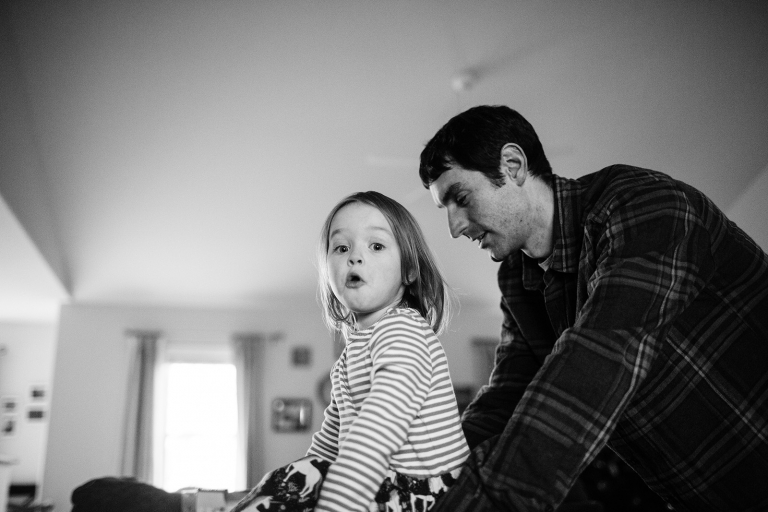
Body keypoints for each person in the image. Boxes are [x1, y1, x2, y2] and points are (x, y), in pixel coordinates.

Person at [417, 105, 768, 512]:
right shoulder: (518, 278)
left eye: (460, 198)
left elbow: (601, 357)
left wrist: (482, 504)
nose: (454, 228)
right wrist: (430, 478)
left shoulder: (644, 206)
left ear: (512, 166)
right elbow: (508, 396)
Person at [232, 191, 470, 512]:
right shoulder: (350, 356)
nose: (355, 257)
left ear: (409, 271)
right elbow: (328, 446)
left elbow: (374, 436)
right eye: (342, 247)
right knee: (294, 477)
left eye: (376, 246)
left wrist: (332, 506)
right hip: (383, 483)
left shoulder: (404, 333)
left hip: (427, 495)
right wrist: (299, 479)